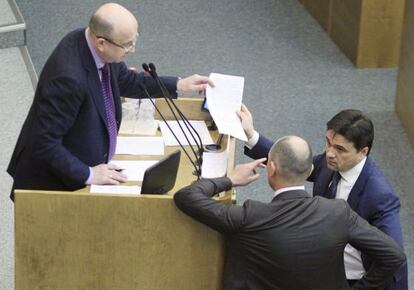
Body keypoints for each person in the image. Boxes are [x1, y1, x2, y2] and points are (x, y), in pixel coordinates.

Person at [7, 3, 213, 200]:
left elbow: (127, 81)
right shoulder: (68, 79)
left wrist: (179, 84)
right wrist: (88, 174)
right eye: (127, 44)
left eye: (134, 40)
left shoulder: (95, 46)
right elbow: (44, 144)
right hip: (51, 186)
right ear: (102, 43)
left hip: (83, 156)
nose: (132, 49)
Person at [174, 135, 406, 290]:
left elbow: (187, 196)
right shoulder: (338, 213)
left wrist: (230, 180)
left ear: (271, 169)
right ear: (310, 170)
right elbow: (393, 256)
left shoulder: (249, 216)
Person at [239, 105, 408, 289]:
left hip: (355, 278)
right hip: (326, 264)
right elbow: (293, 162)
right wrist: (251, 135)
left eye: (340, 149)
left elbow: (394, 257)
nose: (330, 153)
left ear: (363, 152)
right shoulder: (330, 164)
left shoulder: (379, 195)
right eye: (328, 143)